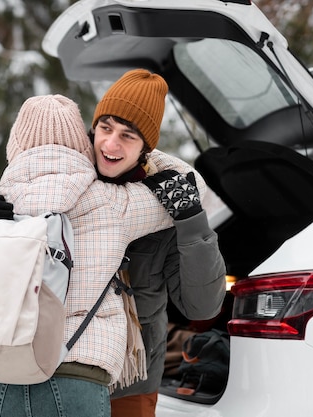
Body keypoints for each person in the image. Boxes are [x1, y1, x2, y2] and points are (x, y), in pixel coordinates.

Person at [0, 93, 200, 416]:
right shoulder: (113, 203)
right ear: (85, 141)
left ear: (15, 146)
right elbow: (195, 187)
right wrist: (139, 147)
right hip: (78, 374)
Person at [91, 69, 226, 416]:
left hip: (132, 382)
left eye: (127, 135)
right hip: (65, 370)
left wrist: (191, 220)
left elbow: (202, 307)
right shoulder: (65, 188)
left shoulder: (163, 213)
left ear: (145, 149)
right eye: (105, 129)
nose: (111, 144)